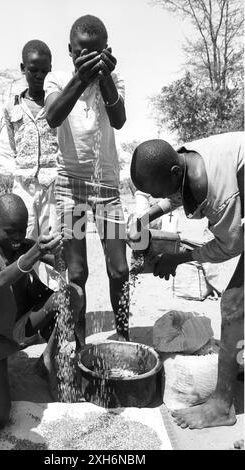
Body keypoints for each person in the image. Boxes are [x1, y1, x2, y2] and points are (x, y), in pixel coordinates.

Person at [129, 133, 244, 429]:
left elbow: (229, 246)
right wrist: (148, 215)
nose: (157, 198)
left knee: (233, 303)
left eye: (156, 192)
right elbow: (176, 194)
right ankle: (235, 364)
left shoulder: (217, 193)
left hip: (232, 229)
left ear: (175, 173)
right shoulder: (188, 159)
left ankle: (222, 406)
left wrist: (179, 257)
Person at [44, 15, 129, 345]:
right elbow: (53, 116)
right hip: (71, 188)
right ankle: (79, 345)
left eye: (96, 53)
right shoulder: (58, 79)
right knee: (77, 272)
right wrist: (80, 78)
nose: (89, 59)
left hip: (106, 187)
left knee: (120, 270)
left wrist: (105, 76)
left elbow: (119, 120)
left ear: (106, 52)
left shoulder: (113, 79)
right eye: (82, 54)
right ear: (70, 51)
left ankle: (123, 338)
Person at [0, 193, 83, 432]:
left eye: (22, 231)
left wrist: (62, 246)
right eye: (10, 231)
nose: (17, 238)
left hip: (26, 325)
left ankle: (48, 361)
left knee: (74, 294)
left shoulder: (25, 244)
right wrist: (33, 254)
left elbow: (65, 266)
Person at [3, 40, 60, 289]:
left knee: (54, 243)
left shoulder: (58, 104)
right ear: (22, 68)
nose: (38, 76)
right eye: (33, 70)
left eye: (44, 71)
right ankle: (28, 306)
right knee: (24, 244)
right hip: (23, 187)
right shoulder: (11, 105)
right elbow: (13, 145)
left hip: (53, 187)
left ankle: (58, 307)